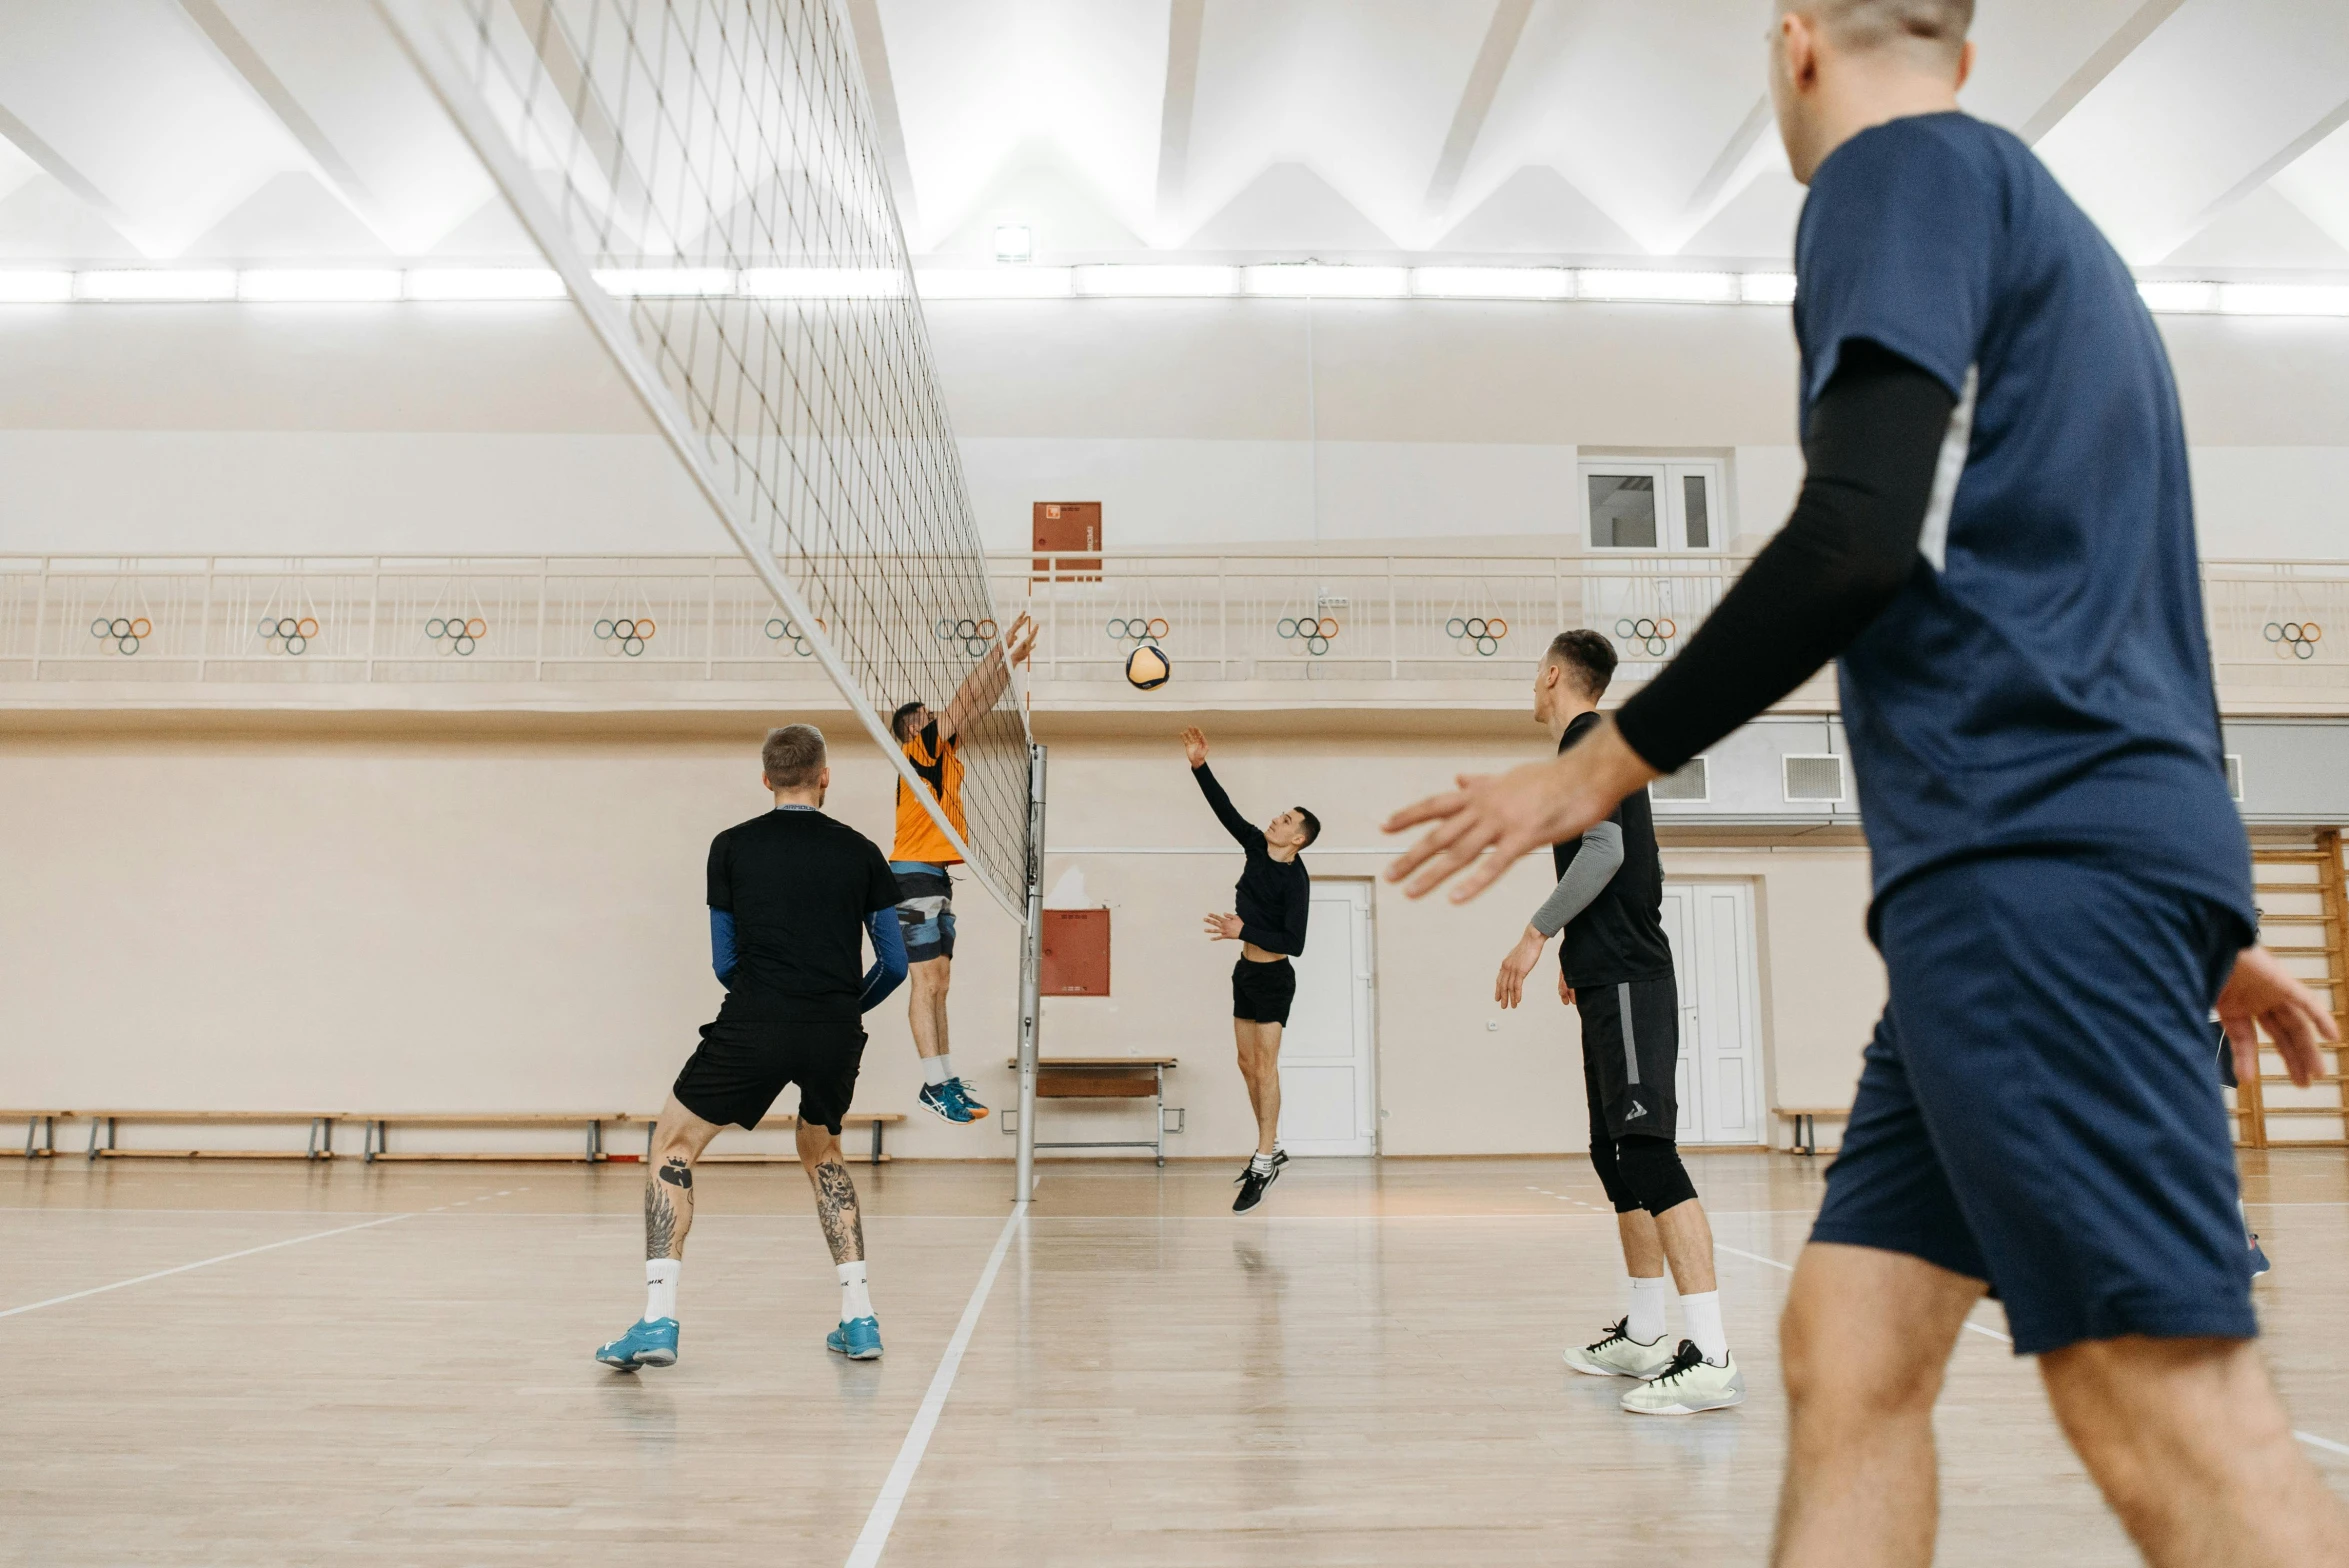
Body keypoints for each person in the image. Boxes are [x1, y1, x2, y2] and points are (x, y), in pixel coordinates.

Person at [1383, 2, 2348, 1562]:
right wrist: (2185, 905)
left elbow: (1853, 534)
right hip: (2053, 874)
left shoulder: (1893, 179)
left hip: (2026, 875)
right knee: (1847, 1350)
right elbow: (2107, 613)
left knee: (2167, 1410)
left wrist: (1596, 770)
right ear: (1963, 49)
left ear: (1794, 41)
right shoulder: (2048, 230)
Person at [597, 723, 908, 1371]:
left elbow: (723, 961)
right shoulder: (863, 853)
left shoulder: (731, 846)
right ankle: (859, 1319)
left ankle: (657, 1322)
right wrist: (841, 1008)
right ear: (825, 776)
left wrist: (769, 1004)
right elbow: (895, 965)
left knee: (672, 1145)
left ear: (766, 779)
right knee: (822, 1152)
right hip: (834, 1030)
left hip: (756, 1018)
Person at [1493, 630, 1741, 1415]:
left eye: (1537, 673)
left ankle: (1711, 1355)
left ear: (1557, 675)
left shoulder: (1589, 741)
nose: (1532, 685)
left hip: (1631, 977)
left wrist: (1537, 934)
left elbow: (1603, 852)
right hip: (1605, 974)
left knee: (1647, 1152)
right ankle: (1643, 1333)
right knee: (1614, 1156)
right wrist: (1578, 956)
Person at [887, 611, 1037, 1125]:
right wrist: (997, 650)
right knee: (925, 983)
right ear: (913, 727)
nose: (941, 719)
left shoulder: (942, 752)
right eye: (928, 715)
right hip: (910, 874)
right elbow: (960, 702)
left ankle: (946, 1080)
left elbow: (974, 706)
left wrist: (1010, 664)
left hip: (932, 875)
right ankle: (934, 1085)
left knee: (940, 982)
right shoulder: (916, 748)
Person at [1181, 726, 1318, 1213]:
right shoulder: (1257, 847)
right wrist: (1200, 766)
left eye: (1284, 821)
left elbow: (1294, 943)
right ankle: (1272, 1144)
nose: (1274, 822)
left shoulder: (1296, 882)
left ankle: (1264, 1159)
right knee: (1245, 1065)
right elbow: (1225, 811)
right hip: (1245, 974)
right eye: (1278, 816)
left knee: (1265, 1066)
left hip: (1275, 978)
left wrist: (1243, 932)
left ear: (1297, 839)